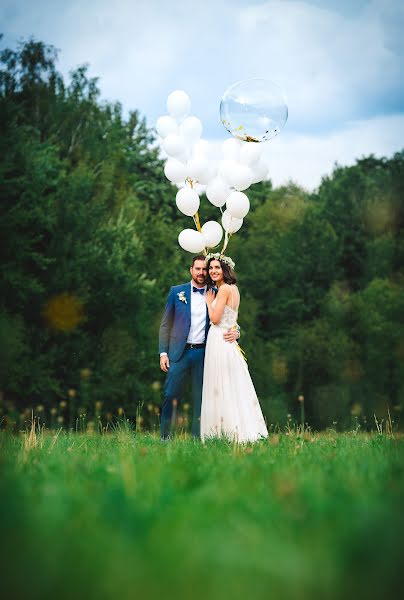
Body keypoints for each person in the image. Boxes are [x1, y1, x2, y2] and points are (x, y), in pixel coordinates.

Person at [159, 255, 239, 439]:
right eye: (198, 269)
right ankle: (165, 437)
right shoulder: (176, 292)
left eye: (205, 269)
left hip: (205, 353)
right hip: (179, 352)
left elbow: (230, 317)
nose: (202, 273)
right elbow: (165, 324)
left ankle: (197, 437)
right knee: (170, 394)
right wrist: (163, 352)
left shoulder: (217, 291)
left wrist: (237, 332)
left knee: (201, 397)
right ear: (191, 270)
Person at [201, 255, 268, 442]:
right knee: (233, 385)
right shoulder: (234, 289)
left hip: (219, 339)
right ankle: (242, 429)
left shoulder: (222, 290)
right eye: (211, 268)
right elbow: (233, 320)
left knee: (220, 385)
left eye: (217, 268)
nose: (213, 271)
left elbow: (215, 319)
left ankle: (226, 432)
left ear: (225, 270)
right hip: (229, 341)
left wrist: (208, 302)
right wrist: (236, 331)